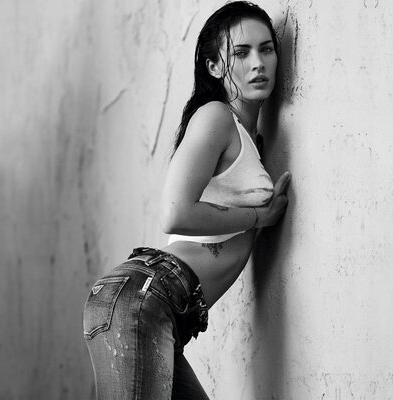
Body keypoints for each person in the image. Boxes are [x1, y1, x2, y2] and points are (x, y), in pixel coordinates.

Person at [82, 2, 292, 399]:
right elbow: (175, 213)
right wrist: (258, 217)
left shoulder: (247, 138)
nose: (258, 63)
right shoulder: (216, 116)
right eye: (241, 53)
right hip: (146, 296)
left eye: (266, 49)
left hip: (159, 309)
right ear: (214, 66)